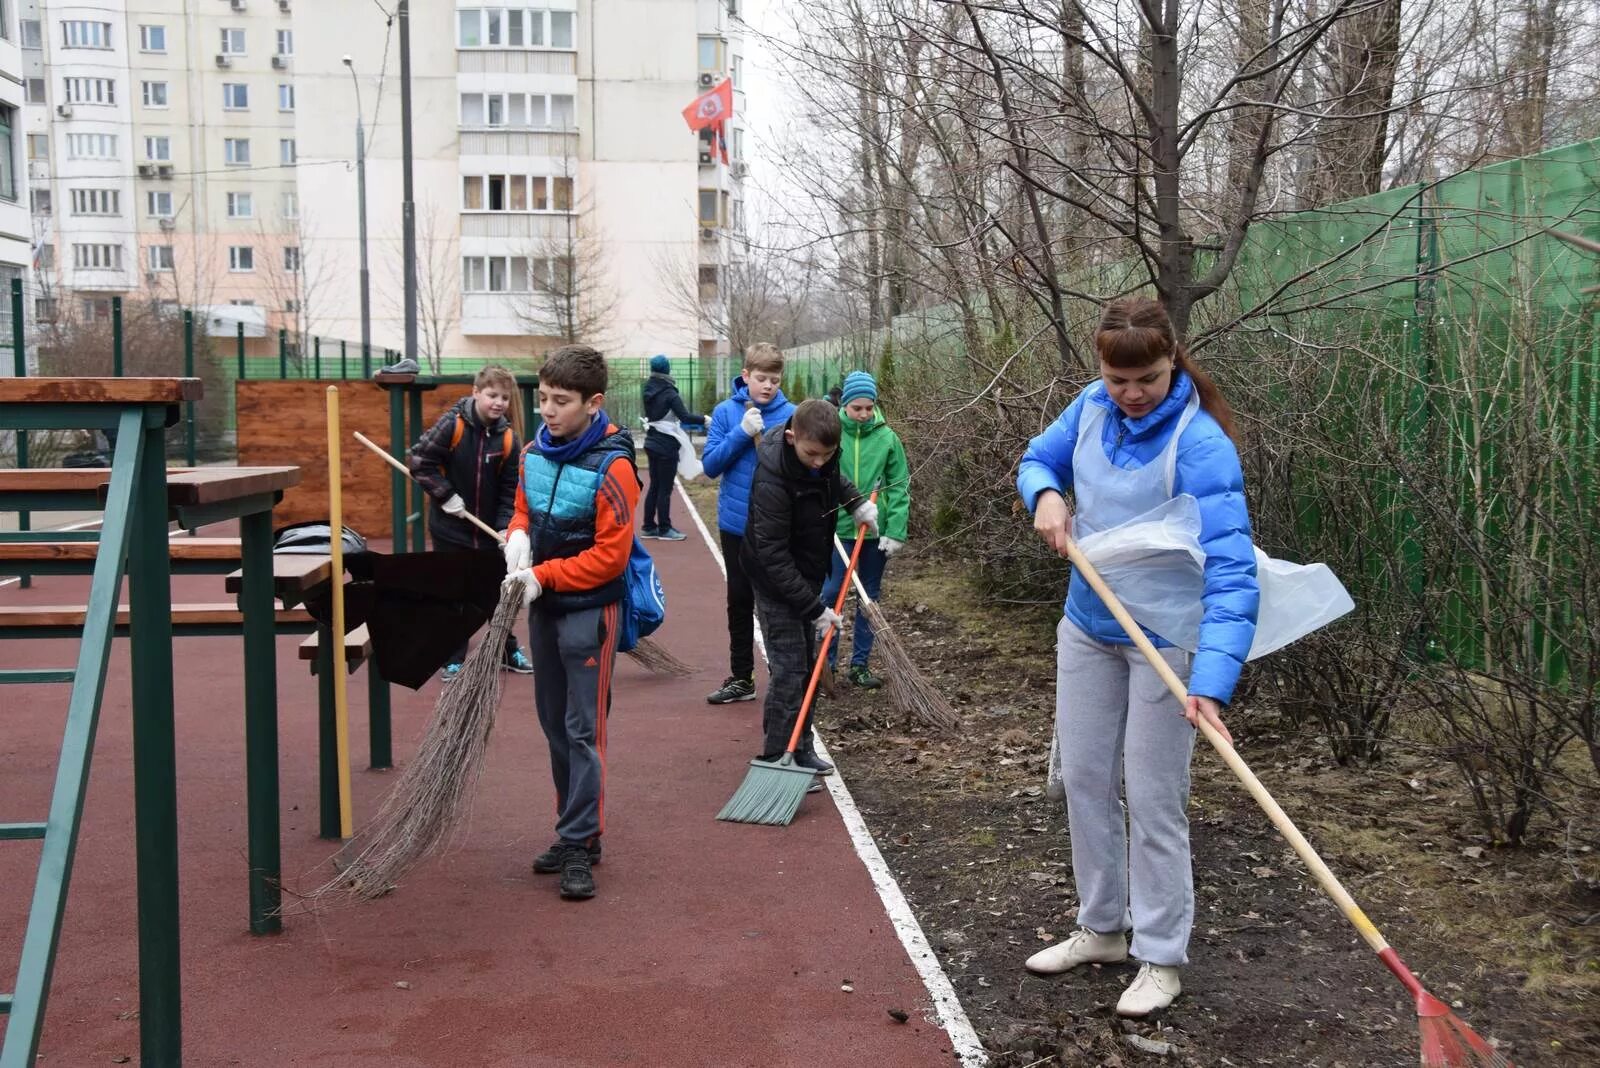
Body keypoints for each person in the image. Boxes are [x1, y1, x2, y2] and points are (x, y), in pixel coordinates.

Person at [1015, 297, 1258, 1018]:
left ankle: (1159, 955)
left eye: (1146, 378)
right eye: (1117, 379)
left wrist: (1210, 681)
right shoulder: (1089, 408)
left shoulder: (1202, 443)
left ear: (1172, 361)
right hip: (1087, 626)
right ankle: (1101, 928)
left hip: (1165, 640)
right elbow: (1037, 458)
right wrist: (1048, 494)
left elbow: (1232, 571)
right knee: (1086, 780)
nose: (1130, 394)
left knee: (1155, 799)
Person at [501, 345, 640, 901]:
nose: (548, 411)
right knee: (554, 727)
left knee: (585, 731)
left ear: (594, 403)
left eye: (561, 402)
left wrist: (546, 575)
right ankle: (575, 828)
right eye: (543, 399)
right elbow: (522, 509)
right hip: (545, 608)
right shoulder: (533, 451)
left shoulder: (615, 466)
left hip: (590, 612)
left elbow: (612, 556)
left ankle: (579, 842)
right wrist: (517, 538)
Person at [741, 399, 878, 774]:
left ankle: (801, 749)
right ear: (791, 438)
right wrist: (815, 608)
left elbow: (834, 477)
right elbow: (772, 555)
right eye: (811, 454)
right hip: (775, 581)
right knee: (789, 669)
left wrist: (856, 504)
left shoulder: (823, 459)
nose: (819, 462)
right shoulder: (772, 478)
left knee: (810, 664)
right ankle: (774, 755)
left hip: (807, 572)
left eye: (827, 454)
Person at [407, 364, 532, 681]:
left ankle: (506, 650)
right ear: (476, 393)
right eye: (492, 395)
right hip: (451, 528)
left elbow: (509, 489)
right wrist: (445, 494)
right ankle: (451, 657)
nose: (498, 402)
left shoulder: (507, 439)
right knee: (456, 593)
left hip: (488, 532)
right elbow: (420, 462)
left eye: (504, 397)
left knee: (496, 592)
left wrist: (505, 526)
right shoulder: (453, 426)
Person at [700, 342, 795, 704]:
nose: (767, 386)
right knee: (739, 600)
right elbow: (710, 466)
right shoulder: (726, 413)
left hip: (777, 528)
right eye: (760, 378)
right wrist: (741, 431)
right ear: (745, 376)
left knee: (775, 602)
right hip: (736, 525)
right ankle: (742, 677)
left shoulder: (792, 415)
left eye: (774, 379)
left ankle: (783, 674)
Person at [819, 370, 910, 693]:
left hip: (874, 533)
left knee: (869, 597)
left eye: (869, 407)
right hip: (838, 530)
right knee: (832, 595)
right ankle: (827, 663)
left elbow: (899, 487)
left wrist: (896, 530)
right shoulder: (832, 432)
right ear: (844, 406)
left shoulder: (887, 438)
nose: (864, 414)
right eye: (857, 408)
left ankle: (859, 665)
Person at [640, 353, 705, 541]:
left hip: (651, 442)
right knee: (665, 489)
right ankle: (665, 529)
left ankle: (648, 526)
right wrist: (705, 419)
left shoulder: (648, 389)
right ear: (667, 369)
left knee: (654, 486)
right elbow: (685, 417)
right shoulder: (669, 393)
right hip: (666, 446)